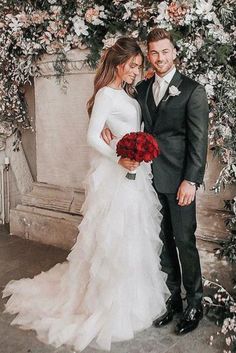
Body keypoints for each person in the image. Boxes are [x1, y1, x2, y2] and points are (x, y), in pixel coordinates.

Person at [2, 37, 170, 352]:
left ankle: (132, 301)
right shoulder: (107, 93)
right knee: (112, 238)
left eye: (138, 66)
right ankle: (107, 306)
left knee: (134, 236)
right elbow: (92, 136)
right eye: (132, 66)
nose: (135, 71)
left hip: (136, 175)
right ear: (118, 63)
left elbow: (126, 125)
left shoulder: (129, 93)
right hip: (116, 174)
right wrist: (117, 157)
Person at [102, 28, 209, 335]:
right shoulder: (143, 88)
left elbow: (198, 141)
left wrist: (191, 180)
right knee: (161, 242)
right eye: (154, 53)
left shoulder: (192, 90)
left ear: (174, 52)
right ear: (148, 55)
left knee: (185, 242)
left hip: (179, 182)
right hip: (147, 179)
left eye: (165, 51)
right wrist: (106, 130)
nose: (160, 58)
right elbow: (116, 106)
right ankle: (173, 299)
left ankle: (194, 303)